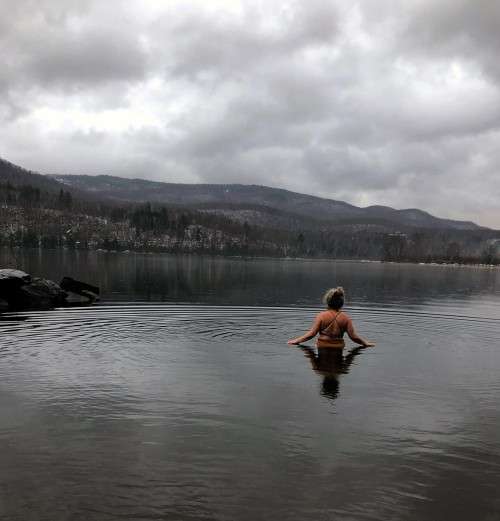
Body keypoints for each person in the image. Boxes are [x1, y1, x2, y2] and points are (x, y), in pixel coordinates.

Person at [287, 287, 375, 348]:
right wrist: (365, 343)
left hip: (322, 346)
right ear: (341, 303)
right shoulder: (346, 318)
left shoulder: (321, 316)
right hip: (339, 347)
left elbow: (312, 334)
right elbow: (353, 337)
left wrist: (296, 340)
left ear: (328, 301)